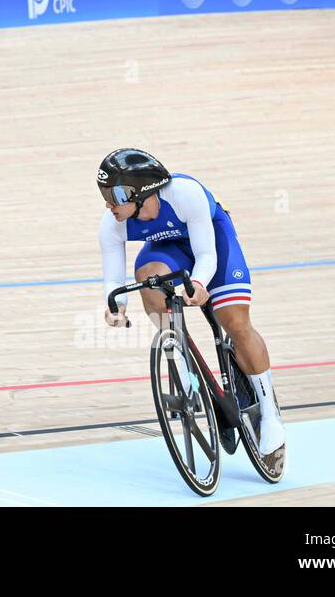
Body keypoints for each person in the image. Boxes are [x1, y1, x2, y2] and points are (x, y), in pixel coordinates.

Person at [96, 148, 285, 470]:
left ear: (142, 192)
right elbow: (114, 277)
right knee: (148, 279)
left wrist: (198, 283)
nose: (107, 203)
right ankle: (180, 360)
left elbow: (206, 254)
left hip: (212, 242)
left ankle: (269, 413)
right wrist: (117, 306)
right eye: (104, 193)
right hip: (167, 250)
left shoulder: (186, 194)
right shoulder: (113, 223)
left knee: (234, 321)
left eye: (114, 194)